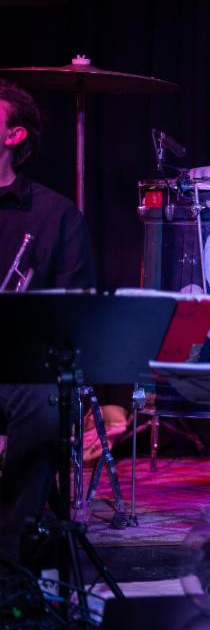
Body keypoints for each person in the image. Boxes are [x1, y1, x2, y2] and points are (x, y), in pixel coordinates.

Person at [0, 80, 96, 565]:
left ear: (13, 135)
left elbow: (74, 313)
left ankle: (9, 552)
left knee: (47, 406)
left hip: (20, 367)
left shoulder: (56, 215)